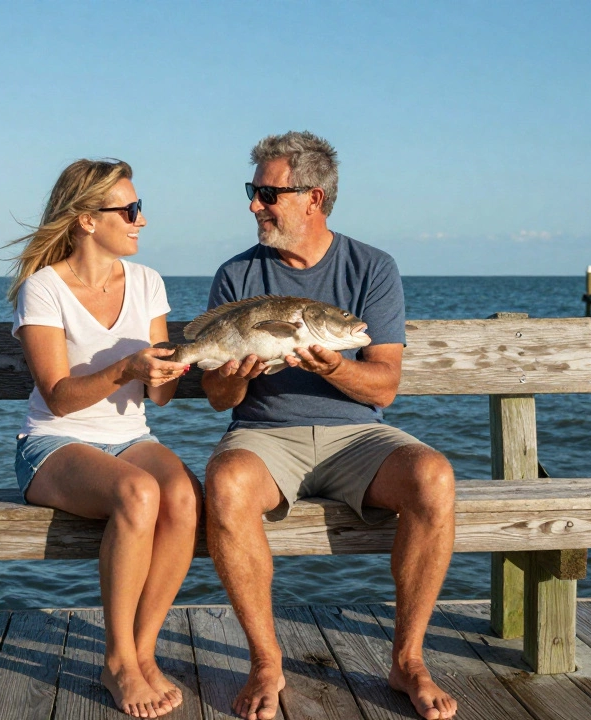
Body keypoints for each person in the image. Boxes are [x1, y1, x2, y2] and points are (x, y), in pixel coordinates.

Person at [200, 132, 459, 720]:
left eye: (267, 193)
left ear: (312, 198)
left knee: (434, 476)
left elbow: (385, 384)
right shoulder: (236, 276)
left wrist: (336, 365)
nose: (253, 205)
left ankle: (408, 660)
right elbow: (218, 398)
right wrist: (236, 375)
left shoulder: (372, 268)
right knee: (226, 483)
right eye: (252, 190)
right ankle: (267, 663)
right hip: (265, 435)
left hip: (359, 439)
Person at [7, 158, 200, 719]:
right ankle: (117, 661)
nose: (141, 220)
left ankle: (143, 651)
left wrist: (162, 376)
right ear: (88, 219)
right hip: (53, 444)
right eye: (131, 210)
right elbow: (59, 396)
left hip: (130, 437)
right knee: (139, 494)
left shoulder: (148, 282)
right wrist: (127, 367)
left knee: (185, 497)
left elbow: (157, 397)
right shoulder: (42, 289)